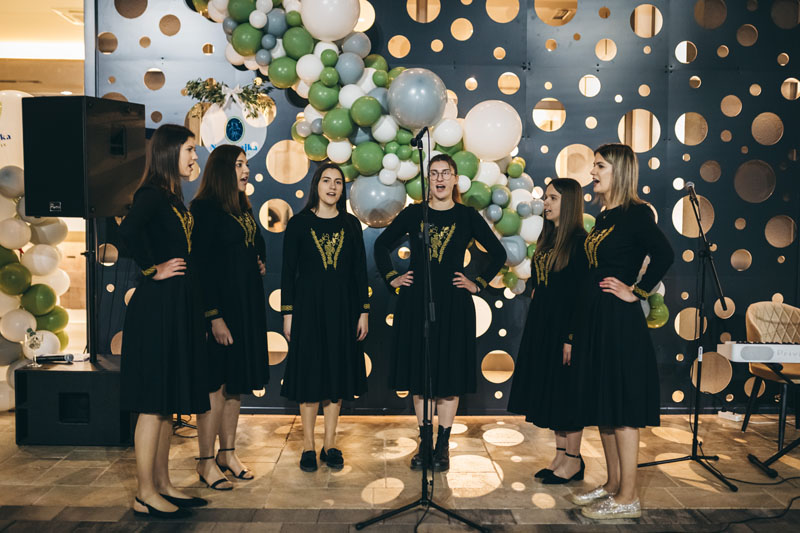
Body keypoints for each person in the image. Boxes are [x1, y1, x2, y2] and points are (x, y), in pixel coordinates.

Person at [374, 153, 506, 472]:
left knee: (449, 376)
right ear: (428, 180)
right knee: (420, 377)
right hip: (415, 303)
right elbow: (381, 245)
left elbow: (499, 253)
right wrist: (393, 277)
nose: (440, 179)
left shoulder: (467, 215)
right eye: (434, 173)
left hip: (454, 305)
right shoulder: (414, 213)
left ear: (456, 179)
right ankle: (425, 443)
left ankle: (443, 447)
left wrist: (477, 283)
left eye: (446, 173)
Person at [570, 144, 674, 519]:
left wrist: (638, 292)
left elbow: (664, 254)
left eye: (600, 166)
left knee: (624, 408)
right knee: (607, 405)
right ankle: (613, 484)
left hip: (619, 320)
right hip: (597, 320)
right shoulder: (605, 216)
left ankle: (628, 497)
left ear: (620, 171)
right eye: (594, 165)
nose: (592, 172)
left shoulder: (636, 213)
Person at [119, 124, 209, 518]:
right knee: (153, 404)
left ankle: (163, 484)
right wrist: (151, 269)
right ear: (170, 152)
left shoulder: (172, 198)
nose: (195, 157)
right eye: (190, 149)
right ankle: (144, 493)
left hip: (176, 307)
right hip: (156, 309)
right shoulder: (152, 195)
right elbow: (126, 234)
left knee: (167, 405)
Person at [280, 162, 370, 472]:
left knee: (336, 377)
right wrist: (288, 314)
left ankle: (330, 444)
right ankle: (308, 445)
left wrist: (363, 311)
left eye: (338, 182)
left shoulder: (351, 224)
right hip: (307, 309)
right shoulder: (299, 223)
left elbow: (360, 272)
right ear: (316, 185)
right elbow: (287, 272)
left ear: (343, 189)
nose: (332, 187)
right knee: (309, 377)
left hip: (344, 310)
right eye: (326, 180)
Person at [190, 144, 268, 490]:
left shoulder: (242, 206)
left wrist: (258, 260)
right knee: (215, 386)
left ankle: (228, 454)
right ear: (222, 169)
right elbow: (200, 267)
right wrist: (214, 316)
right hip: (220, 310)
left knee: (236, 384)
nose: (246, 170)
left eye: (246, 164)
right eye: (239, 165)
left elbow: (256, 242)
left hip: (245, 306)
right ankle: (205, 461)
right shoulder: (204, 209)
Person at [507, 178, 588, 484]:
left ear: (569, 202)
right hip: (544, 324)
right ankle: (560, 456)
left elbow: (580, 296)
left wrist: (571, 337)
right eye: (547, 198)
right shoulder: (550, 236)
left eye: (553, 198)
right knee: (554, 392)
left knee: (568, 394)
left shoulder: (579, 242)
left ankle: (573, 460)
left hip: (565, 327)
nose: (546, 203)